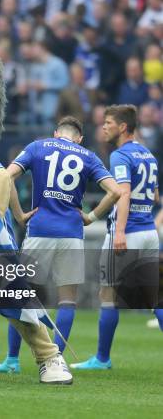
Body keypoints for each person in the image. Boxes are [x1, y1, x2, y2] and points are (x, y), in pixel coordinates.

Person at [0, 116, 120, 373]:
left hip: (39, 229)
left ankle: (12, 360)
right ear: (79, 138)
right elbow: (116, 191)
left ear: (56, 133)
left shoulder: (37, 146)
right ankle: (56, 360)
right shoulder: (88, 155)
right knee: (67, 300)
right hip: (72, 233)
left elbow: (6, 177)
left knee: (20, 294)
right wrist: (91, 217)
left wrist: (18, 215)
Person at [72, 105, 160, 370]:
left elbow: (122, 194)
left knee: (107, 295)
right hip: (149, 233)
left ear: (123, 127)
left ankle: (102, 358)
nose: (104, 127)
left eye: (108, 122)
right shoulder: (149, 155)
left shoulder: (120, 156)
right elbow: (154, 195)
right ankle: (101, 358)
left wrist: (119, 230)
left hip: (128, 233)